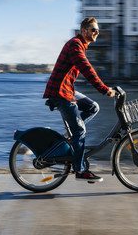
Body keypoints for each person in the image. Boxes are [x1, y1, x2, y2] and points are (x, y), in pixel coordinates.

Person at [44, 17, 116, 182]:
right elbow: (87, 69)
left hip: (67, 90)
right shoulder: (75, 45)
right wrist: (105, 89)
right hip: (60, 93)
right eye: (94, 30)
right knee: (80, 131)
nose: (97, 32)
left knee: (93, 107)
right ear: (84, 31)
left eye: (97, 30)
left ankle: (71, 134)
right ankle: (80, 170)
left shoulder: (80, 45)